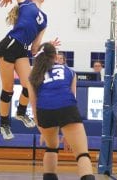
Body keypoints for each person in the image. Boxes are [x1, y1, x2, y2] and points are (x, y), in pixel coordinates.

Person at [0, 0, 59, 140]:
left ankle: (21, 113)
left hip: (22, 50)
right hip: (9, 46)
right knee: (8, 89)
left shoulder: (44, 19)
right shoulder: (26, 3)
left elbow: (34, 49)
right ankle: (4, 124)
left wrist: (48, 44)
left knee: (30, 84)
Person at [28, 42, 95, 180]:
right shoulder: (69, 71)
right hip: (67, 109)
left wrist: (42, 127)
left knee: (51, 147)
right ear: (55, 56)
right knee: (82, 154)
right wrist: (68, 133)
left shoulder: (33, 75)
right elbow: (72, 98)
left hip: (44, 113)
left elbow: (34, 106)